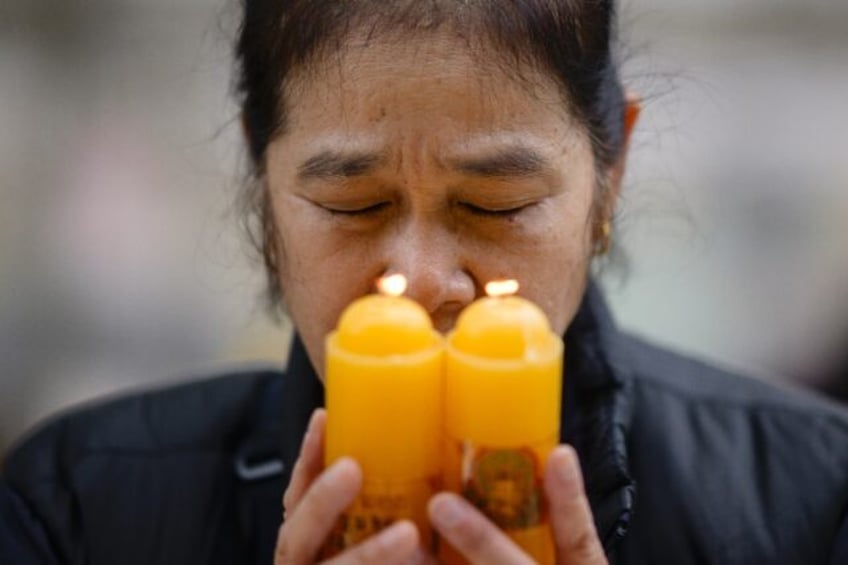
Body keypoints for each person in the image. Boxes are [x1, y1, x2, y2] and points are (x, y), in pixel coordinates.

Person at [3, 1, 848, 563]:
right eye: (353, 202)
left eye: (496, 203)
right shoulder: (74, 506)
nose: (417, 279)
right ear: (262, 177)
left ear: (611, 170)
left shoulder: (812, 497)